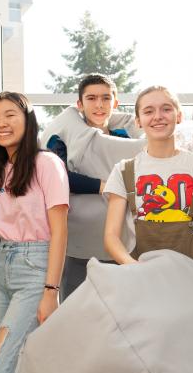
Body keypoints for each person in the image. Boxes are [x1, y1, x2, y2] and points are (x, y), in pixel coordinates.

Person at [0, 92, 69, 373]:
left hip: (34, 269)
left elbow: (60, 231)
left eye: (10, 114)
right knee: (15, 370)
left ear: (28, 120)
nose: (2, 123)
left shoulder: (47, 163)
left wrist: (51, 291)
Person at [41, 73, 145, 300]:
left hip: (122, 245)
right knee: (75, 315)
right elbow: (58, 176)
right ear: (80, 104)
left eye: (106, 98)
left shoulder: (126, 138)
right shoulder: (63, 138)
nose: (99, 105)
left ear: (115, 103)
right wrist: (104, 185)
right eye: (91, 98)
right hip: (78, 246)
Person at [103, 85, 193, 274]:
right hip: (140, 279)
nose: (158, 116)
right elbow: (111, 236)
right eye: (148, 111)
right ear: (138, 121)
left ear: (179, 116)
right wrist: (137, 270)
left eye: (166, 109)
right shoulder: (123, 170)